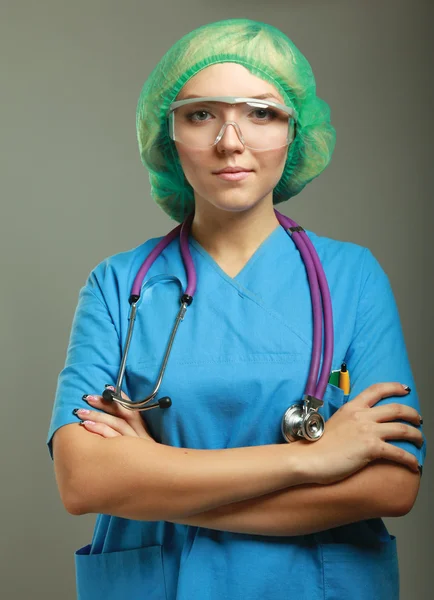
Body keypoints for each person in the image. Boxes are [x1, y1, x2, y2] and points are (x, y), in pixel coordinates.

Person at [47, 18, 426, 600]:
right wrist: (311, 461)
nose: (231, 141)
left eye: (261, 113)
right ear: (167, 132)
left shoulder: (352, 278)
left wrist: (153, 474)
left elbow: (389, 486)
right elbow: (82, 480)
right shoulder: (118, 285)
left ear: (295, 131)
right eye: (201, 114)